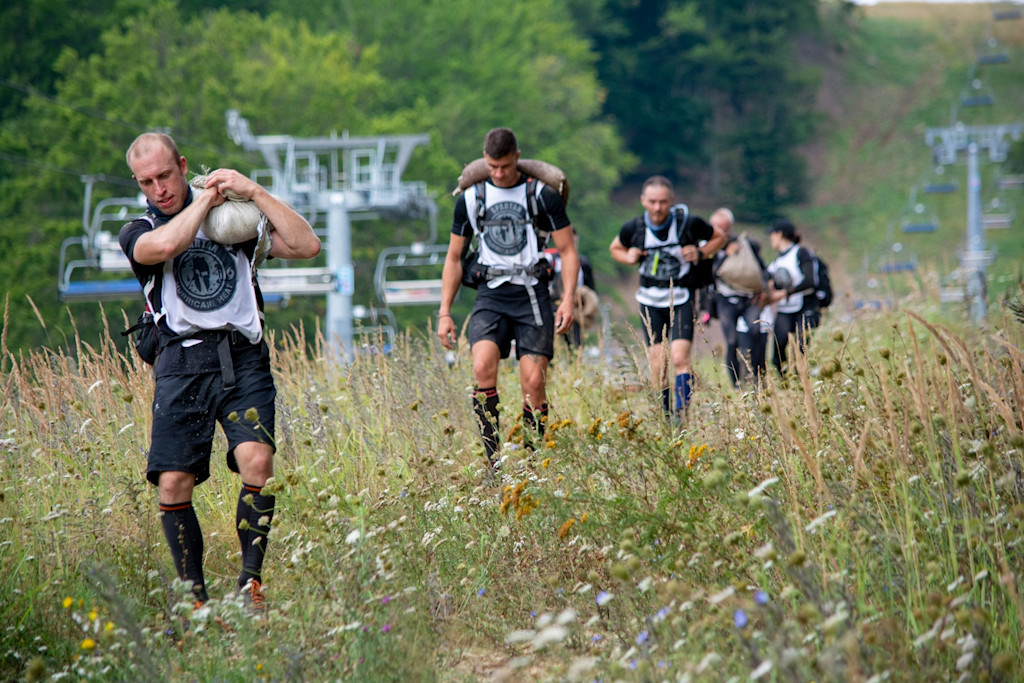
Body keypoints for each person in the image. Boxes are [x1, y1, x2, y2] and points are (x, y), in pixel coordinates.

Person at [118, 132, 321, 614]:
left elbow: (308, 244)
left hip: (241, 355)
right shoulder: (138, 230)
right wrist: (207, 199)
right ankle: (195, 601)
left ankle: (250, 585)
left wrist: (253, 193)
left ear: (183, 166)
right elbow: (170, 243)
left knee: (258, 464)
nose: (159, 188)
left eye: (165, 175)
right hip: (180, 363)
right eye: (146, 181)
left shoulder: (235, 221)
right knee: (173, 484)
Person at [437, 127, 579, 468]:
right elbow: (454, 258)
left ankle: (533, 463)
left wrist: (568, 299)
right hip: (491, 295)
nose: (499, 174)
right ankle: (494, 464)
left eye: (504, 166)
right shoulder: (471, 199)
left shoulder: (542, 196)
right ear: (484, 161)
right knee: (481, 367)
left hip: (532, 294)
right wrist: (445, 312)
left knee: (534, 381)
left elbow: (568, 250)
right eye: (492, 167)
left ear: (517, 157)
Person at [609, 176, 727, 420]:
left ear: (672, 201)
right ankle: (665, 417)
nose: (657, 208)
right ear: (643, 201)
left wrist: (701, 252)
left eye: (663, 202)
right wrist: (629, 257)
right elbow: (615, 248)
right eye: (652, 201)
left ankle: (681, 415)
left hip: (681, 297)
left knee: (680, 357)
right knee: (658, 363)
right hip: (649, 300)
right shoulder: (634, 228)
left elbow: (719, 238)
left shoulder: (688, 223)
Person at [709, 209, 769, 387]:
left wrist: (764, 289)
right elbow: (710, 274)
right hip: (725, 300)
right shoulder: (709, 248)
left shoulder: (746, 244)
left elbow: (762, 268)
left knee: (755, 331)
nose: (722, 233)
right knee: (731, 340)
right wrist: (726, 255)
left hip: (749, 298)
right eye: (718, 228)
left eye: (725, 228)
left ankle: (758, 378)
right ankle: (736, 383)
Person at [764, 218, 820, 375]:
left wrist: (786, 293)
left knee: (800, 349)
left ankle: (802, 381)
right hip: (785, 309)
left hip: (804, 306)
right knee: (778, 351)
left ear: (779, 235)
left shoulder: (801, 253)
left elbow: (810, 281)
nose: (771, 239)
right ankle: (785, 384)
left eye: (772, 235)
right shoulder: (778, 261)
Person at [545, 231, 598, 349]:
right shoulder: (551, 259)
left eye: (573, 241)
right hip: (553, 306)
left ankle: (575, 358)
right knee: (549, 343)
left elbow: (591, 287)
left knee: (575, 344)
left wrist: (581, 298)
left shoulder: (583, 263)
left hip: (574, 309)